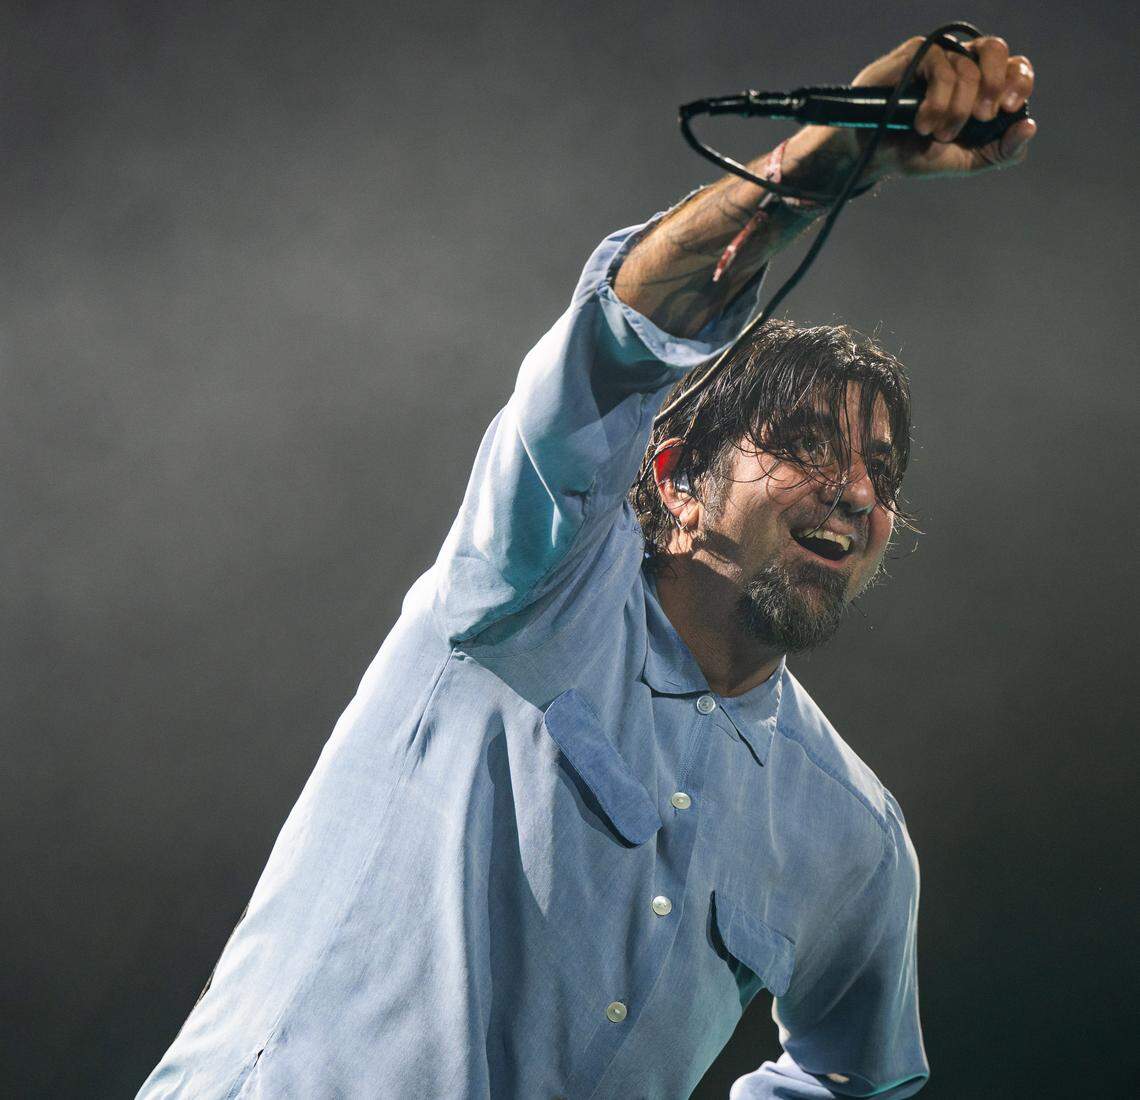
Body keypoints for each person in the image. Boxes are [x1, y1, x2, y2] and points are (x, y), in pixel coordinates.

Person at [139, 33, 1036, 1100]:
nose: (852, 489)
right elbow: (619, 337)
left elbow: (860, 1076)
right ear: (673, 473)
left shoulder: (852, 834)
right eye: (803, 445)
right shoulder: (534, 582)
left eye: (880, 473)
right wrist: (822, 160)